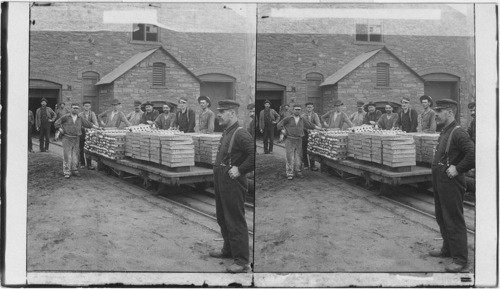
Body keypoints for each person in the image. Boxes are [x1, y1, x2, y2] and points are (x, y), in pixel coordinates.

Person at [429, 99, 475, 273]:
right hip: (440, 179)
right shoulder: (445, 131)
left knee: (453, 219)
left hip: (451, 181)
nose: (436, 114)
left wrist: (458, 168)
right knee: (441, 217)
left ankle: (460, 259)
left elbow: (473, 153)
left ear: (450, 112)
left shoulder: (458, 132)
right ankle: (447, 249)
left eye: (439, 111)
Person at [209, 100, 254, 273]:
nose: (218, 114)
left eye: (223, 111)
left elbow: (253, 155)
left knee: (235, 220)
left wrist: (240, 169)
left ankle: (242, 261)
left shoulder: (241, 134)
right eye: (218, 111)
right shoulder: (227, 132)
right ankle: (228, 251)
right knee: (222, 217)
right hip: (222, 179)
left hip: (233, 182)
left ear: (233, 113)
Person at [55, 103, 100, 178]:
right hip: (67, 138)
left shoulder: (80, 118)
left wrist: (97, 128)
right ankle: (67, 171)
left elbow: (89, 124)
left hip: (76, 138)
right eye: (74, 108)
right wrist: (60, 129)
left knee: (76, 155)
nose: (75, 110)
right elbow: (56, 123)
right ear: (71, 109)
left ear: (78, 109)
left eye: (77, 108)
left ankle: (75, 170)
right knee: (67, 155)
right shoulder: (66, 117)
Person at [278, 104, 322, 180]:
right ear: (293, 110)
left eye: (299, 109)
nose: (297, 111)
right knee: (290, 157)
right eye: (296, 109)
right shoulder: (288, 119)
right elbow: (279, 125)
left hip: (299, 140)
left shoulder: (302, 119)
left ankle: (298, 171)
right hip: (289, 140)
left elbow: (311, 125)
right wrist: (283, 130)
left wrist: (320, 129)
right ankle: (290, 173)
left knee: (299, 157)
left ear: (300, 110)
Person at [78, 100, 99, 169]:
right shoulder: (80, 114)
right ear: (83, 107)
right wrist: (84, 128)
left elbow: (95, 121)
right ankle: (82, 163)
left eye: (88, 106)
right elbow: (79, 124)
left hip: (90, 134)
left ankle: (89, 164)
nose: (87, 107)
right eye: (85, 106)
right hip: (82, 133)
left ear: (90, 107)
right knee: (81, 149)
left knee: (88, 148)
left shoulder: (92, 114)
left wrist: (97, 127)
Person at [301, 102, 322, 170]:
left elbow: (318, 123)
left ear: (313, 108)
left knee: (312, 149)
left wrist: (319, 127)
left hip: (312, 134)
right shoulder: (303, 116)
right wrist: (306, 129)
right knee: (304, 149)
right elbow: (302, 125)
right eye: (308, 107)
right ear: (306, 108)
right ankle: (306, 164)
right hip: (305, 134)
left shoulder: (315, 115)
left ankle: (312, 165)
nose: (309, 108)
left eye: (310, 107)